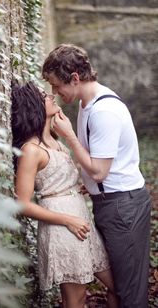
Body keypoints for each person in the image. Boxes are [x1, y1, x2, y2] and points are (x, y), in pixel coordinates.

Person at [42, 43, 152, 308]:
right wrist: (86, 184)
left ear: (75, 78)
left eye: (57, 86)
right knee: (121, 285)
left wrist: (68, 136)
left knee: (130, 293)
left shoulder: (104, 111)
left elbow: (100, 171)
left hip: (123, 207)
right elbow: (97, 165)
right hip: (111, 204)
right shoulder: (86, 104)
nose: (55, 93)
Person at [11, 80, 119, 308]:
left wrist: (76, 188)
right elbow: (22, 203)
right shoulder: (31, 150)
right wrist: (67, 220)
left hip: (81, 220)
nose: (51, 96)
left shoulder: (54, 139)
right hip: (63, 226)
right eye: (44, 96)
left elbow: (57, 179)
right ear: (34, 107)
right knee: (76, 299)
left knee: (118, 286)